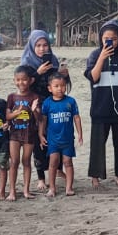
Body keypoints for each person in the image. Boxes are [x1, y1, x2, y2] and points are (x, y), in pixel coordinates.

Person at [85, 21, 118, 187]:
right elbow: (93, 76)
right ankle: (95, 177)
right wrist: (102, 57)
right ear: (100, 39)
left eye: (113, 39)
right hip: (101, 108)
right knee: (98, 144)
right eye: (106, 38)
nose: (110, 42)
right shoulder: (94, 55)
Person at [22, 30, 67, 187]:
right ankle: (41, 177)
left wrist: (64, 75)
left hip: (53, 104)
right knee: (38, 141)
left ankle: (58, 168)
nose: (42, 49)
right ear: (32, 46)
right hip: (35, 106)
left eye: (45, 45)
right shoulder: (27, 63)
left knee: (57, 134)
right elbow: (23, 85)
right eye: (38, 45)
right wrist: (37, 73)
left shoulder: (53, 60)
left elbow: (60, 86)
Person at [39, 73, 83, 197]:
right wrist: (41, 135)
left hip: (68, 139)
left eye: (63, 86)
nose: (60, 89)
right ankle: (52, 188)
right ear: (50, 88)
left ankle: (69, 187)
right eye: (56, 86)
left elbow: (77, 118)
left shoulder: (71, 101)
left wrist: (80, 133)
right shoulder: (47, 103)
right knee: (53, 162)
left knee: (68, 162)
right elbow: (43, 120)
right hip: (53, 139)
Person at [5, 65, 40, 200]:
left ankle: (26, 190)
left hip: (29, 133)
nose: (21, 83)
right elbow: (7, 117)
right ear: (14, 80)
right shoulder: (11, 97)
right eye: (18, 80)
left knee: (26, 161)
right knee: (14, 162)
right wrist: (16, 113)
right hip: (14, 134)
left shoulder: (34, 96)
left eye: (24, 80)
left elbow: (39, 119)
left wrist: (34, 110)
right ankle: (12, 191)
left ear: (30, 80)